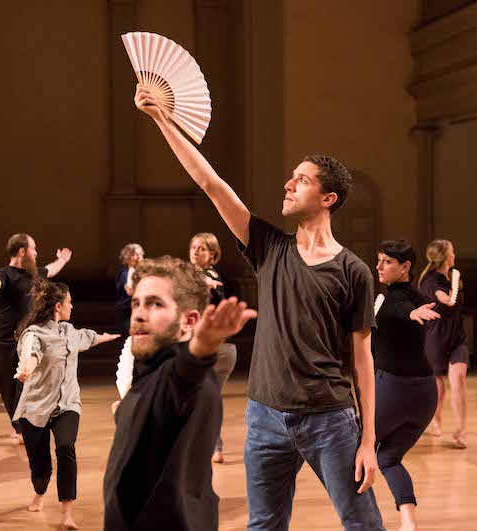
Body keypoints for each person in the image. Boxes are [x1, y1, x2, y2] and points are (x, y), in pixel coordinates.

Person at [134, 84, 384, 530]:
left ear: (328, 199)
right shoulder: (268, 246)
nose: (288, 184)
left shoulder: (354, 272)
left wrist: (368, 441)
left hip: (330, 419)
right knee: (263, 526)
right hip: (265, 417)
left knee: (364, 525)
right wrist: (161, 120)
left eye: (302, 180)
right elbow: (211, 184)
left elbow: (363, 361)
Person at [103, 256, 256, 530]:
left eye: (155, 304)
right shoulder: (151, 370)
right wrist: (126, 413)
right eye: (137, 303)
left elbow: (184, 376)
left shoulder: (186, 379)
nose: (138, 313)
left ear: (189, 321)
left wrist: (202, 348)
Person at [13, 278, 120, 530]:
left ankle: (67, 514)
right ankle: (39, 492)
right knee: (41, 468)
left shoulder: (69, 331)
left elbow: (88, 337)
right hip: (35, 408)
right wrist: (26, 369)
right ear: (58, 306)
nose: (73, 306)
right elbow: (30, 354)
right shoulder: (34, 334)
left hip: (67, 404)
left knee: (66, 447)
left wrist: (107, 337)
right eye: (70, 302)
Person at [0, 233, 72, 441]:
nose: (36, 253)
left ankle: (26, 426)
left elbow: (50, 269)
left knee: (27, 382)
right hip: (2, 340)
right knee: (6, 385)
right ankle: (18, 426)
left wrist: (62, 260)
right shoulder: (5, 274)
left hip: (26, 339)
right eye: (33, 249)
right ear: (22, 251)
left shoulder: (34, 274)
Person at [373, 240, 439, 531]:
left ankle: (364, 523)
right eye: (379, 260)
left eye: (386, 261)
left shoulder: (399, 300)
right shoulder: (416, 296)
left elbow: (402, 309)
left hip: (395, 391)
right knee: (387, 458)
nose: (379, 267)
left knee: (353, 451)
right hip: (425, 395)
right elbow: (409, 307)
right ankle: (408, 522)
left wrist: (412, 314)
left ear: (405, 267)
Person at [189, 232, 237, 464]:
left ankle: (207, 446)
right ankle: (213, 447)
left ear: (213, 254)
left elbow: (211, 290)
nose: (196, 252)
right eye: (193, 247)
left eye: (202, 248)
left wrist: (204, 284)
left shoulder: (211, 278)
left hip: (215, 351)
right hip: (222, 352)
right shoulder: (198, 277)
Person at [418, 239, 468, 447]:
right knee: (438, 388)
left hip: (457, 339)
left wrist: (454, 289)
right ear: (446, 257)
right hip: (436, 339)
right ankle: (435, 420)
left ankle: (461, 431)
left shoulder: (454, 278)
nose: (454, 255)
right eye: (452, 252)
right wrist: (447, 298)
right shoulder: (429, 280)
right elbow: (442, 296)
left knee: (458, 380)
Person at [116, 243, 145, 337]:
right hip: (128, 312)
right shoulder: (124, 274)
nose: (138, 257)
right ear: (127, 258)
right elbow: (129, 291)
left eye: (140, 254)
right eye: (135, 254)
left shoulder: (143, 272)